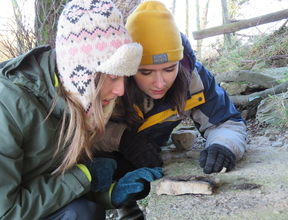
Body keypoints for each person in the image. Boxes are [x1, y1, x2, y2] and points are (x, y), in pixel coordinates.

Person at [0, 0, 164, 219]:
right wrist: (85, 176)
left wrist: (112, 193)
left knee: (86, 210)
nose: (120, 90)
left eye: (124, 78)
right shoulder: (2, 106)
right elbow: (1, 213)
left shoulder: (74, 100)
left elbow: (58, 187)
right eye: (113, 77)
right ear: (82, 74)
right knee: (79, 213)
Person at [94, 1, 248, 219]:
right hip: (107, 155)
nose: (159, 83)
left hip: (152, 149)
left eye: (169, 69)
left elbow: (225, 121)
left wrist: (224, 147)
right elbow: (82, 129)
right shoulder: (110, 79)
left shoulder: (194, 79)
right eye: (146, 72)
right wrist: (122, 139)